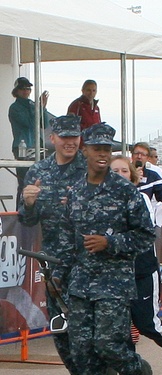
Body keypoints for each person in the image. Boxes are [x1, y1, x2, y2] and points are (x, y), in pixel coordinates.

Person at [54, 123, 154, 374]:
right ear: (84, 151)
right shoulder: (75, 192)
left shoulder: (125, 192)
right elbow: (67, 238)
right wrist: (59, 274)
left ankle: (140, 370)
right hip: (80, 286)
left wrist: (110, 243)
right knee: (81, 351)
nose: (102, 154)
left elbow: (145, 236)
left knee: (109, 346)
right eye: (97, 149)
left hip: (114, 285)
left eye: (107, 150)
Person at [18, 114, 86, 374]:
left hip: (87, 263)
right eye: (65, 137)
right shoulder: (38, 171)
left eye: (75, 137)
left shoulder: (91, 168)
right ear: (52, 138)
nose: (70, 142)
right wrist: (30, 202)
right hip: (55, 266)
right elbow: (26, 219)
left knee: (88, 331)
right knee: (61, 329)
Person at [111, 155, 162, 349]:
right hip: (114, 276)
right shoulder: (98, 201)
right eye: (115, 171)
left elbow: (141, 233)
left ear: (132, 175)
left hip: (141, 273)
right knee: (118, 332)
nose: (120, 175)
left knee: (149, 325)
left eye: (124, 171)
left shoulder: (142, 198)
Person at [9, 77, 51, 205]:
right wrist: (39, 107)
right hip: (22, 148)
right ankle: (20, 210)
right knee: (24, 182)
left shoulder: (33, 105)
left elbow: (44, 123)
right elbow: (29, 123)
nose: (26, 91)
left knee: (39, 181)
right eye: (23, 89)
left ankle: (34, 208)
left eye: (28, 89)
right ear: (16, 91)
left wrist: (42, 108)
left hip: (36, 146)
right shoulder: (14, 107)